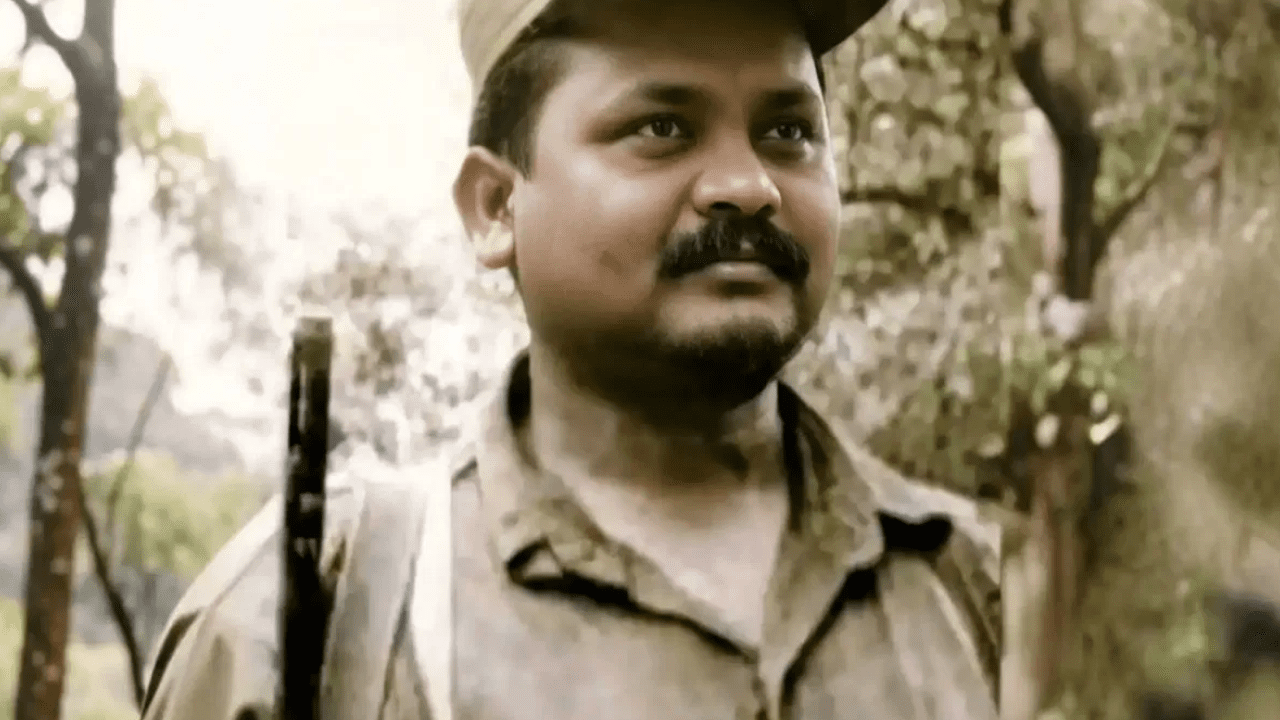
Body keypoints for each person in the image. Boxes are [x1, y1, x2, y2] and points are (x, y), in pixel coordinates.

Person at [139, 0, 1002, 717]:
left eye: (787, 131)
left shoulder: (980, 591)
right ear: (494, 208)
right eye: (663, 127)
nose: (750, 185)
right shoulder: (311, 619)